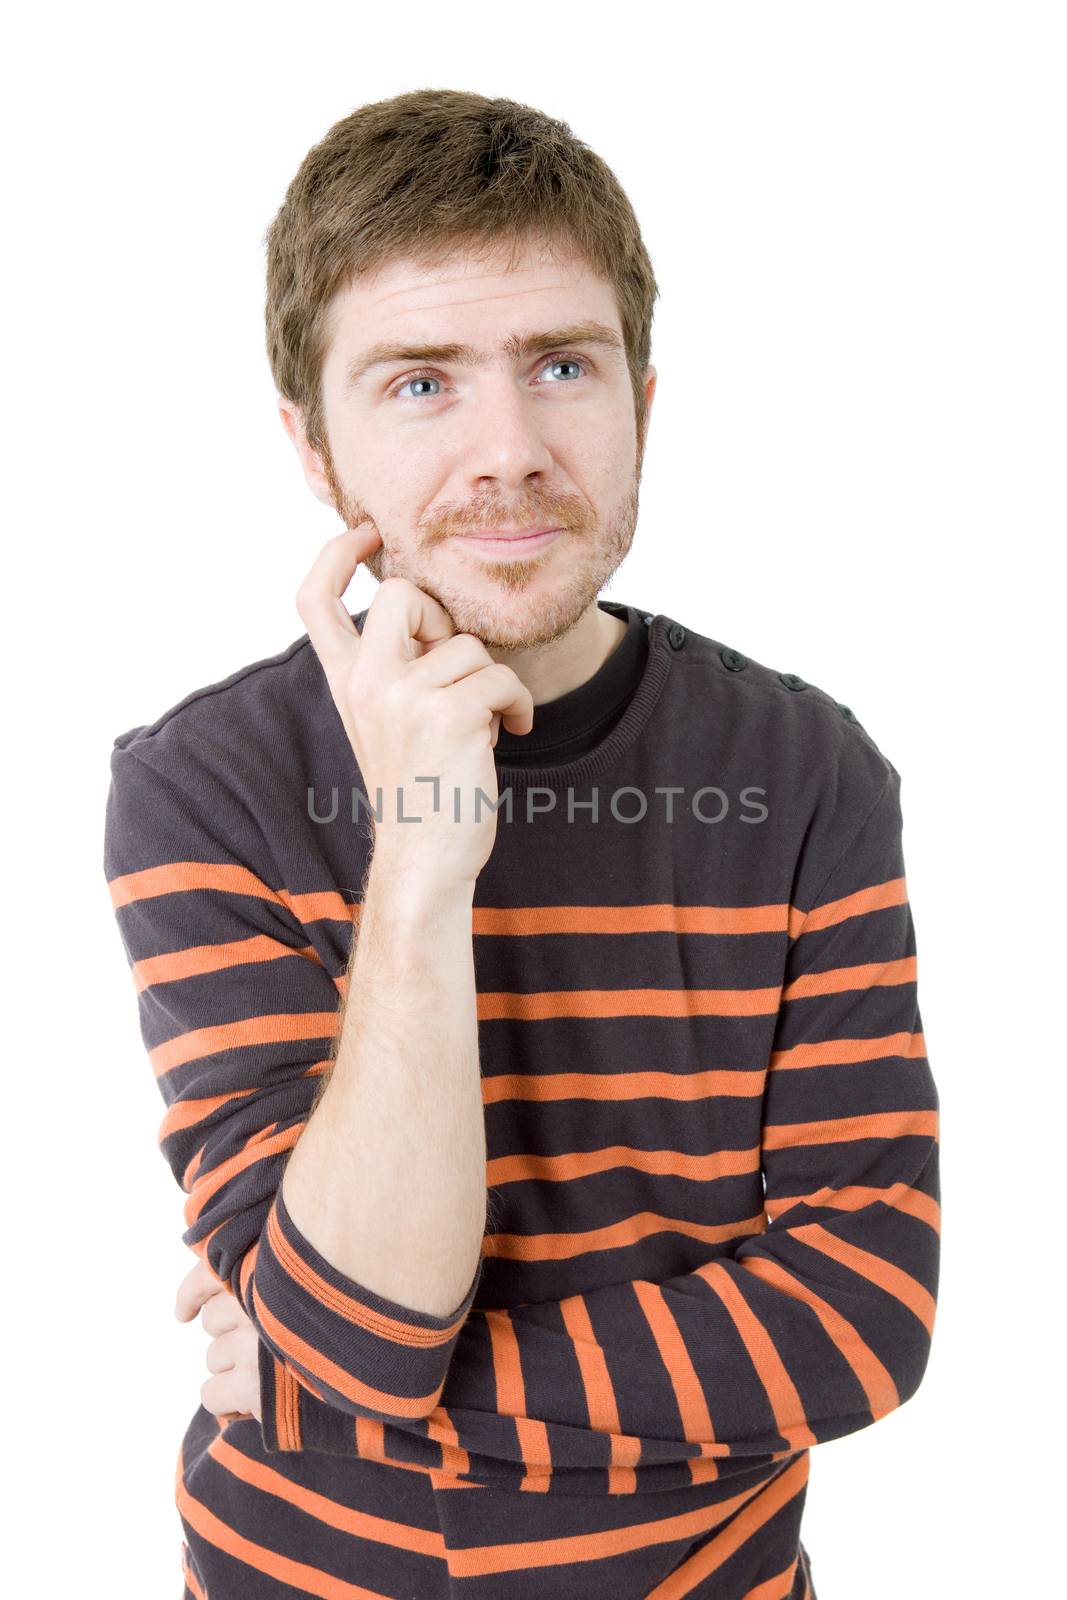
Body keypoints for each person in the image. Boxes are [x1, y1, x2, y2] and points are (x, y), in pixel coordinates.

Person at [103, 88, 940, 1600]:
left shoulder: (805, 772)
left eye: (562, 365)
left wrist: (316, 1384)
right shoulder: (205, 783)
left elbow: (863, 1317)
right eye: (419, 382)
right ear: (312, 448)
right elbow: (367, 1315)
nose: (509, 451)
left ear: (644, 401)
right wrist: (420, 865)